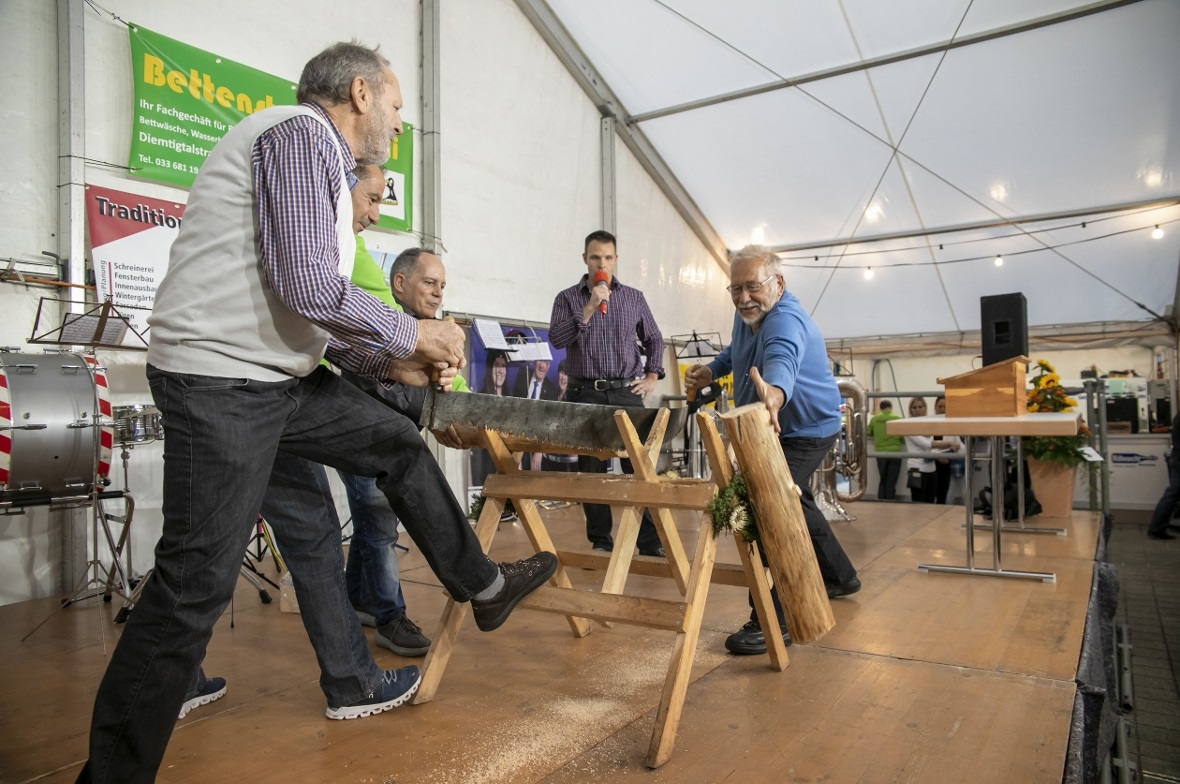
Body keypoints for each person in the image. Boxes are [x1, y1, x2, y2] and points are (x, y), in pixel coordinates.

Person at [77, 43, 556, 784]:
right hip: (222, 381)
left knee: (395, 442)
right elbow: (303, 281)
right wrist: (412, 332)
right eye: (397, 107)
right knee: (195, 583)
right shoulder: (301, 135)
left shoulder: (320, 167)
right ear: (360, 94)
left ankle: (482, 588)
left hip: (274, 379)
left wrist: (387, 360)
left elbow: (305, 310)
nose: (399, 125)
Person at [684, 244, 860, 656]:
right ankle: (841, 576)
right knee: (798, 502)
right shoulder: (748, 313)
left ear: (777, 284)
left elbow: (782, 361)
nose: (743, 297)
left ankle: (771, 619)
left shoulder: (785, 321)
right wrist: (713, 368)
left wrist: (773, 396)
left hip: (803, 429)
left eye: (752, 287)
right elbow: (737, 351)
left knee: (766, 506)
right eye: (736, 288)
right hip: (774, 426)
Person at [336, 232, 470, 657]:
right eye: (430, 282)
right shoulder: (379, 321)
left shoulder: (433, 333)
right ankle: (391, 618)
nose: (437, 292)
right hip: (360, 433)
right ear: (399, 283)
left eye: (442, 285)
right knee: (378, 518)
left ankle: (359, 600)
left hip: (391, 438)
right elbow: (383, 384)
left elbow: (444, 388)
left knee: (372, 520)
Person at [549, 230, 667, 558]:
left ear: (616, 260)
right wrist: (588, 308)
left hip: (625, 391)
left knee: (641, 467)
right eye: (595, 257)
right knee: (592, 471)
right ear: (585, 259)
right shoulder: (567, 298)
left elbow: (655, 339)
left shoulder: (634, 298)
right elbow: (557, 340)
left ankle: (649, 541)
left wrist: (653, 374)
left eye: (608, 257)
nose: (602, 263)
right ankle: (600, 540)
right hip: (583, 392)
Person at [904, 397, 953, 504]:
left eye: (920, 407)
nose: (917, 409)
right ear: (910, 410)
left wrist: (940, 454)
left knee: (930, 502)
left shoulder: (929, 424)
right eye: (914, 407)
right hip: (916, 468)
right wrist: (949, 444)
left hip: (931, 469)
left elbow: (931, 448)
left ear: (925, 408)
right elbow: (926, 445)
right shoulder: (908, 425)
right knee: (918, 503)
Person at [512, 358, 559, 469]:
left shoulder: (551, 390)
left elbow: (549, 424)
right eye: (540, 361)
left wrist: (539, 451)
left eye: (546, 363)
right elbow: (513, 409)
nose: (542, 366)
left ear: (548, 367)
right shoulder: (522, 377)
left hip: (537, 442)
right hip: (517, 438)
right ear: (534, 362)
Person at [1146, 411, 1180, 540]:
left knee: (1173, 494)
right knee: (1173, 494)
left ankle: (1157, 527)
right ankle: (1156, 528)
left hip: (1176, 458)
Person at [867, 400, 903, 499]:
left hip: (881, 453)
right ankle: (890, 502)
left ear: (881, 408)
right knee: (891, 480)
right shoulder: (897, 419)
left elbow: (869, 432)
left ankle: (881, 501)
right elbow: (902, 437)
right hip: (895, 453)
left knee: (883, 479)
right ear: (890, 407)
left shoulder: (875, 419)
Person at [932, 396, 963, 504]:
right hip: (932, 465)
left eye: (945, 407)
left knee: (942, 494)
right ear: (935, 408)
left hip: (946, 464)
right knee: (931, 496)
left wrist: (956, 448)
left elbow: (959, 445)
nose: (943, 409)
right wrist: (938, 456)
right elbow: (927, 445)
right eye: (940, 406)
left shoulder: (951, 425)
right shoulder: (930, 424)